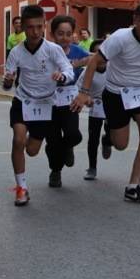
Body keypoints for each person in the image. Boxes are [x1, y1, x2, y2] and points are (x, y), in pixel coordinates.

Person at [71, 0, 140, 204]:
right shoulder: (120, 37)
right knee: (121, 144)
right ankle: (109, 137)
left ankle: (133, 187)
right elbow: (95, 61)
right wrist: (83, 92)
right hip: (115, 93)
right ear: (134, 20)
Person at [3, 5, 72, 206]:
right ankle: (21, 188)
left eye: (39, 27)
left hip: (45, 104)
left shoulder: (53, 50)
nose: (35, 32)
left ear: (44, 26)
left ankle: (28, 148)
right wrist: (7, 80)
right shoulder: (16, 52)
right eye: (30, 27)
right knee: (17, 139)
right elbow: (8, 82)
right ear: (23, 27)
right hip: (23, 100)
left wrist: (62, 76)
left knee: (32, 150)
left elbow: (68, 70)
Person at [44, 14, 89, 187]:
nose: (65, 38)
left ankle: (67, 147)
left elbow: (94, 59)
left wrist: (79, 64)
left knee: (74, 135)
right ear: (53, 35)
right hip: (50, 102)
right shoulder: (46, 51)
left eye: (68, 34)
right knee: (53, 140)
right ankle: (55, 171)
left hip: (71, 101)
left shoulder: (77, 51)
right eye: (60, 34)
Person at [82, 37, 112, 181]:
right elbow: (78, 89)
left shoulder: (113, 68)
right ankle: (92, 167)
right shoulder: (88, 71)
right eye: (96, 54)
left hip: (112, 106)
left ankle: (107, 141)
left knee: (113, 132)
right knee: (93, 139)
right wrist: (86, 97)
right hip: (95, 107)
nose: (100, 58)